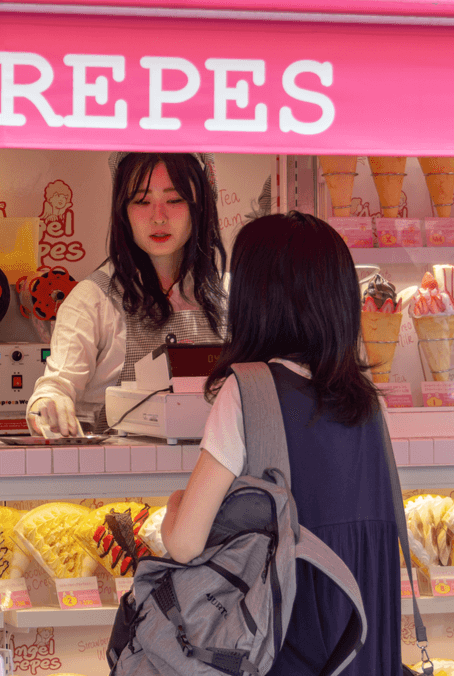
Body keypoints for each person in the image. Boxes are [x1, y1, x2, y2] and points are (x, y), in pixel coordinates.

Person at [160, 211, 400, 674]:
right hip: (365, 643)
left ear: (256, 300)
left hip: (292, 644)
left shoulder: (248, 390)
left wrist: (174, 507)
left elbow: (186, 544)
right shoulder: (368, 402)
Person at [27, 152, 226, 436]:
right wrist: (48, 403)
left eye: (175, 200)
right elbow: (56, 386)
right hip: (119, 476)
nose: (158, 217)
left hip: (214, 475)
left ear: (202, 206)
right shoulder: (93, 299)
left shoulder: (231, 296)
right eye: (142, 201)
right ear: (123, 210)